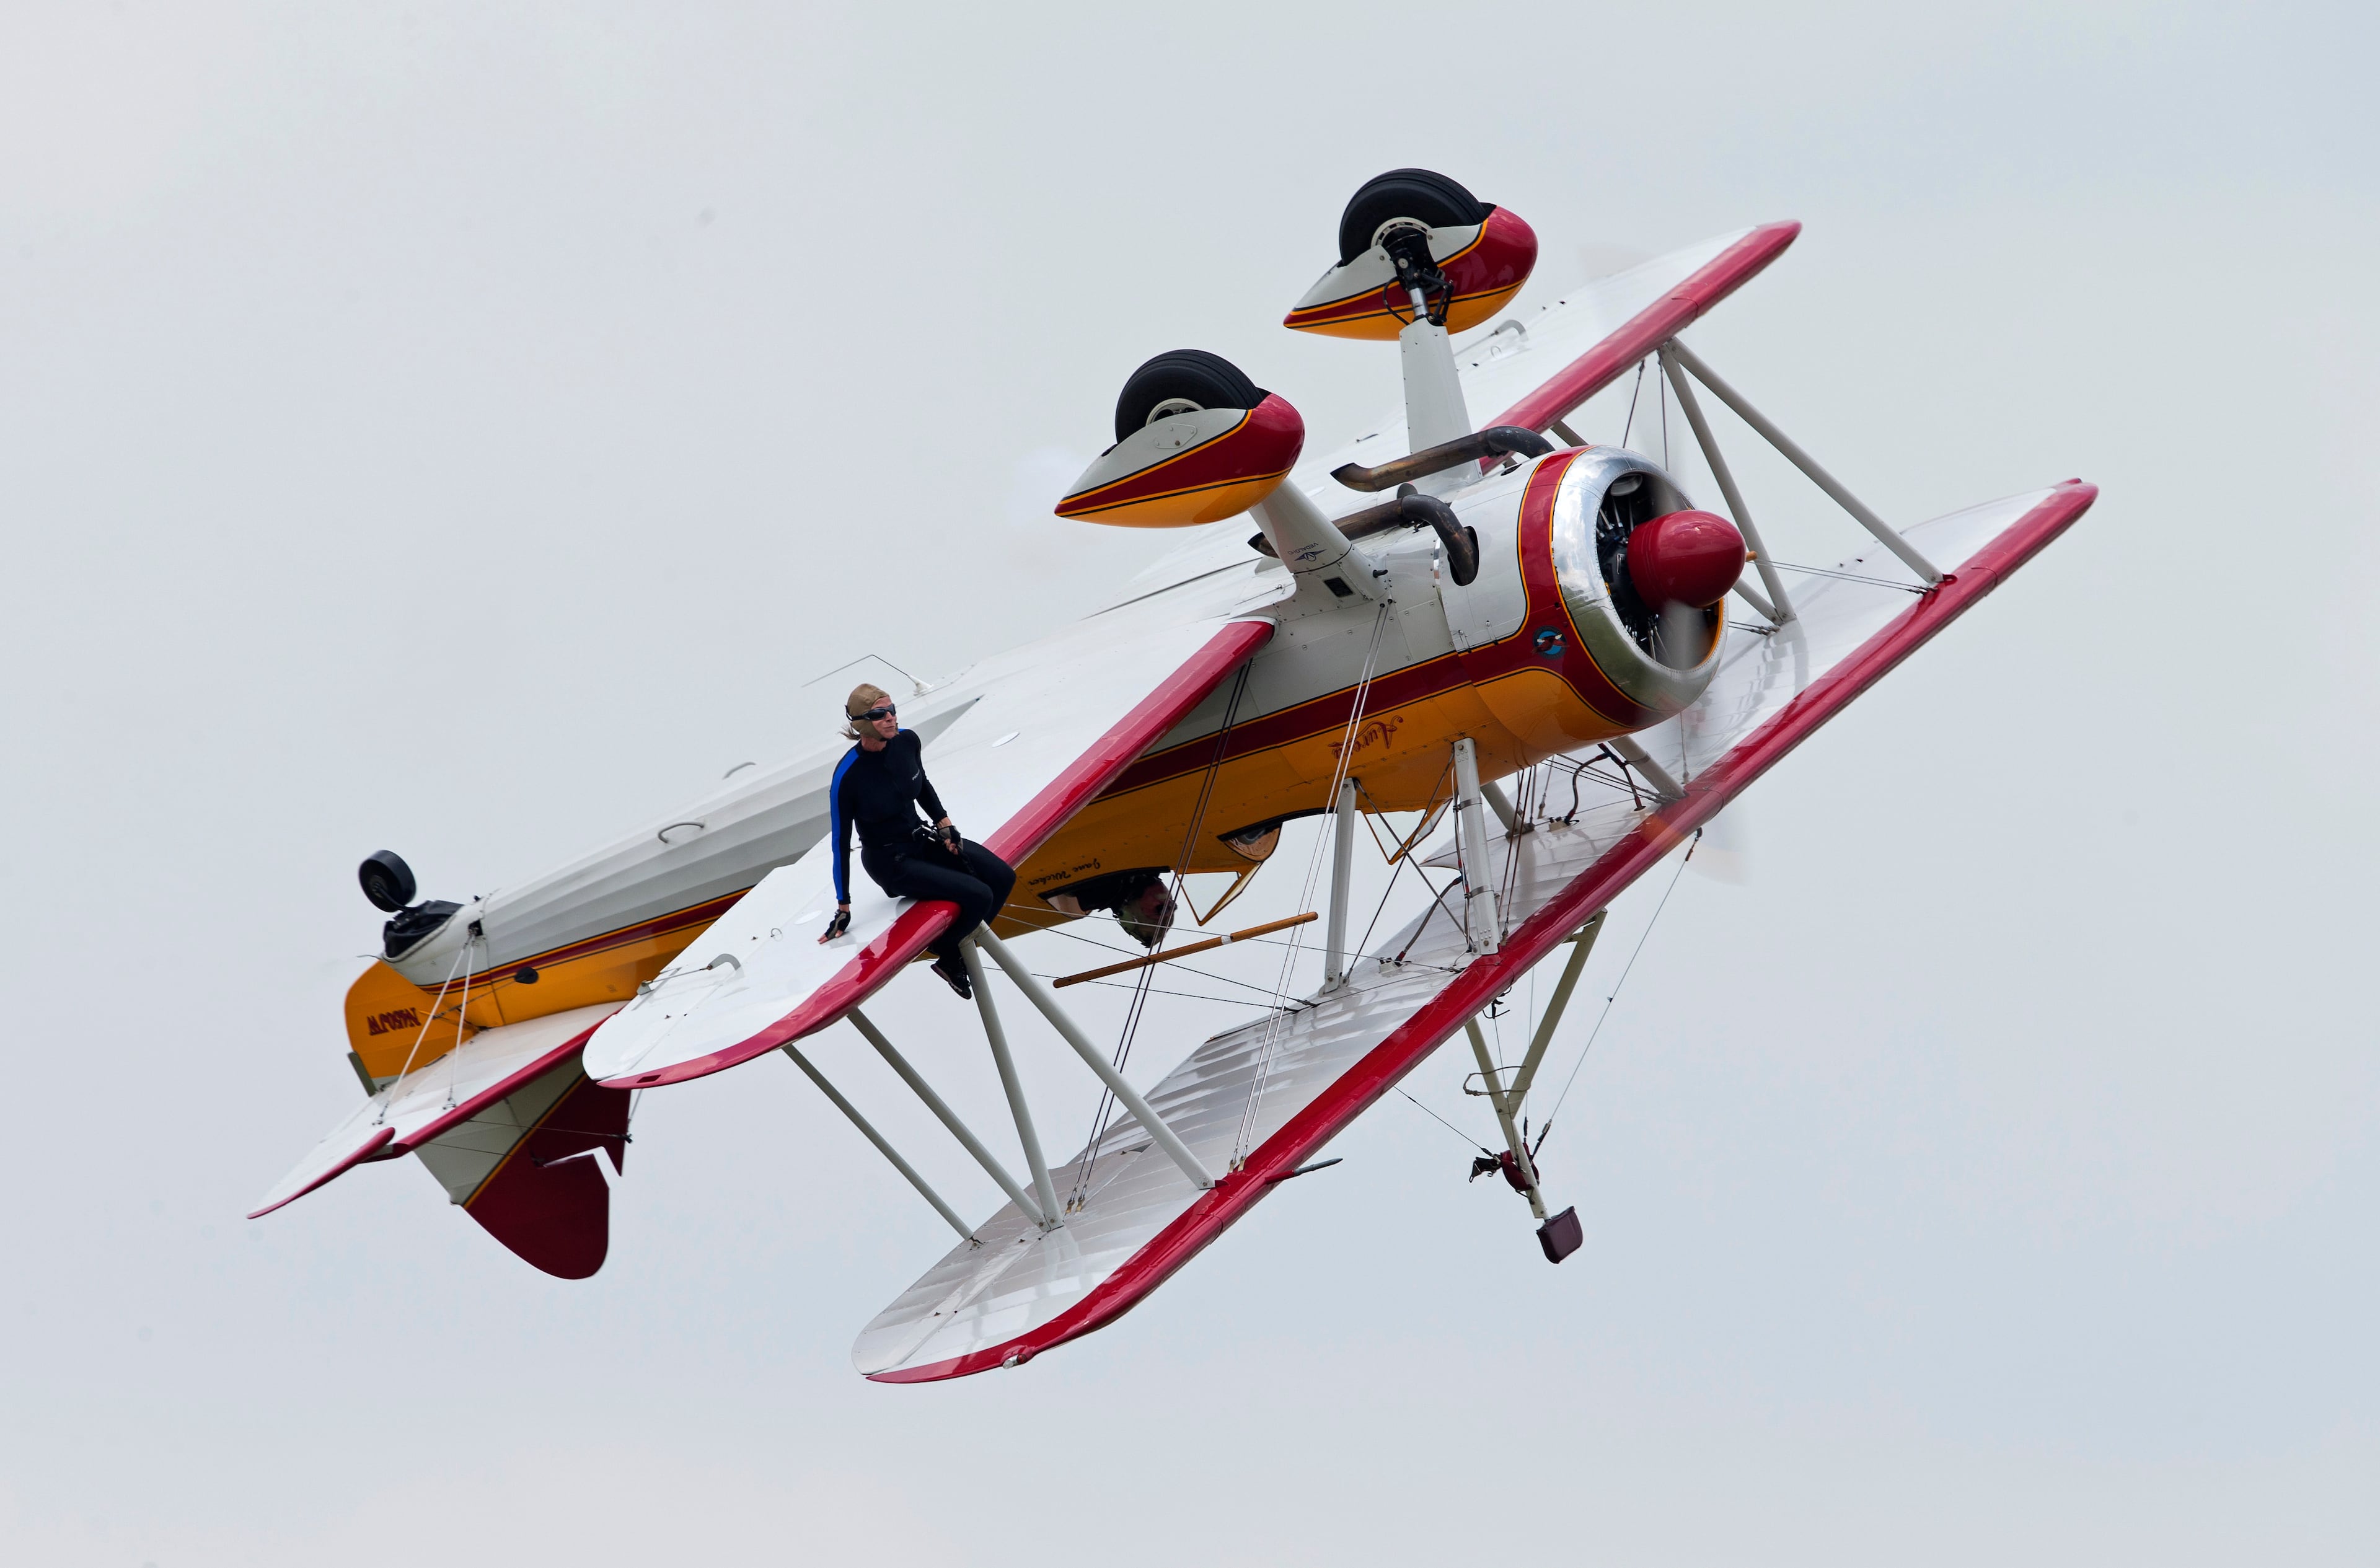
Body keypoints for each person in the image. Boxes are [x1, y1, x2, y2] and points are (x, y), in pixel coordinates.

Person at [817, 683, 1016, 999]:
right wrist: (844, 906)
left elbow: (921, 784)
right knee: (979, 894)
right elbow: (841, 842)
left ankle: (952, 956)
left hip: (922, 840)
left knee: (1003, 877)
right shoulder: (847, 776)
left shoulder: (907, 742)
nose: (891, 718)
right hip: (891, 862)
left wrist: (945, 824)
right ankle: (949, 956)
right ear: (862, 723)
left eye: (893, 710)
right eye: (880, 714)